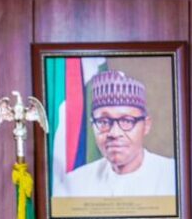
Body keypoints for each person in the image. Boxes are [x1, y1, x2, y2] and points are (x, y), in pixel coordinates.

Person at [57, 69, 177, 197]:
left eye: (126, 121)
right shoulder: (74, 184)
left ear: (146, 125)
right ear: (92, 125)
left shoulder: (173, 176)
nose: (114, 133)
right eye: (104, 121)